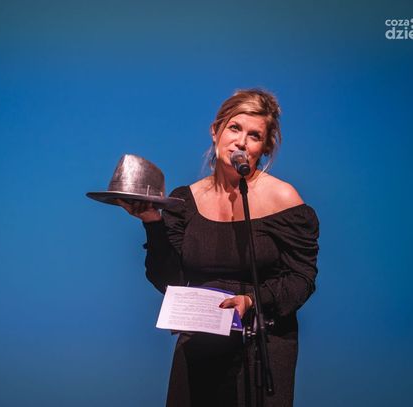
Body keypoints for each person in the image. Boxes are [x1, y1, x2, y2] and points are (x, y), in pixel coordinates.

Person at [118, 89, 319, 407]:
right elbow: (168, 280)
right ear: (216, 131)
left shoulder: (284, 199)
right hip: (200, 346)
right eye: (235, 128)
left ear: (265, 148)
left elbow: (301, 278)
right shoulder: (185, 201)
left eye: (254, 135)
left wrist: (252, 301)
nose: (241, 142)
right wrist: (152, 221)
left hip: (262, 344)